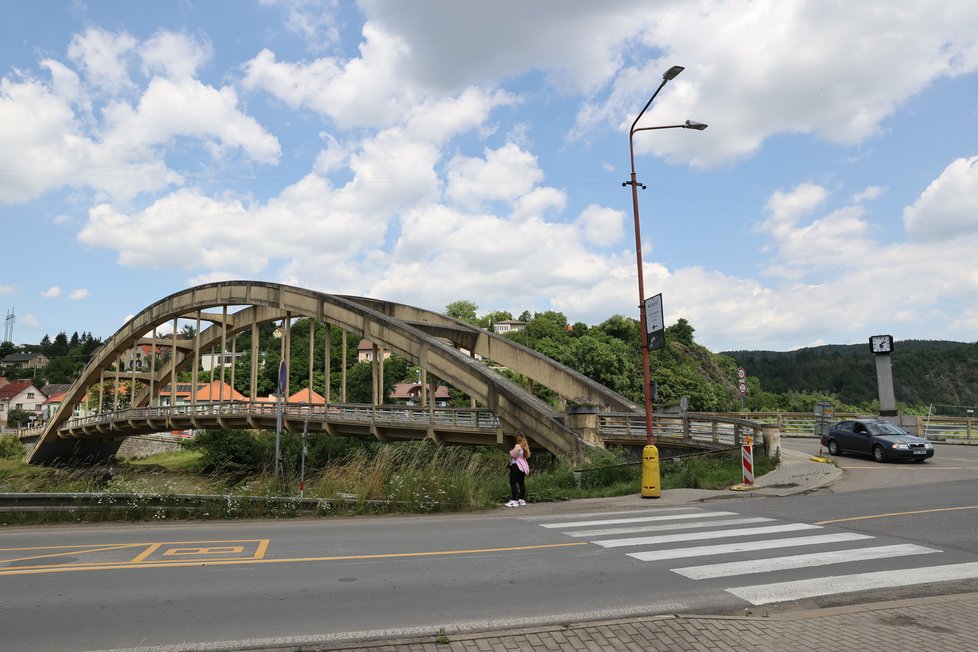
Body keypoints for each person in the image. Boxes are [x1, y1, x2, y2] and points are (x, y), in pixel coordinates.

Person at [505, 431, 531, 507]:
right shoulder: (524, 446)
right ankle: (521, 500)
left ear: (516, 438)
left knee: (513, 483)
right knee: (521, 483)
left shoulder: (517, 446)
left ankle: (514, 500)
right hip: (523, 467)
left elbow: (514, 456)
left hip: (516, 466)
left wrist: (510, 452)